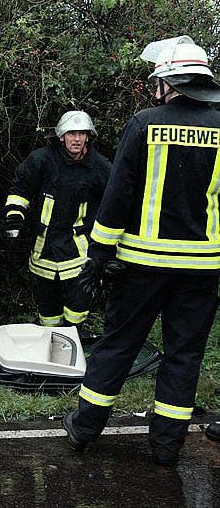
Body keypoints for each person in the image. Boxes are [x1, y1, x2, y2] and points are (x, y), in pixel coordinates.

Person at [63, 36, 220, 466]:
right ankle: (167, 447)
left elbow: (118, 195)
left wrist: (97, 253)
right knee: (184, 355)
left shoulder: (144, 123)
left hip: (142, 264)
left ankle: (84, 429)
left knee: (118, 345)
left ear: (169, 82)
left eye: (157, 82)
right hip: (203, 269)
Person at [4, 111, 111, 333]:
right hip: (45, 246)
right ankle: (50, 341)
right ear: (61, 136)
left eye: (82, 133)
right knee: (48, 307)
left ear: (88, 137)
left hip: (78, 250)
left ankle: (74, 336)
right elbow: (20, 189)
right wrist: (14, 220)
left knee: (78, 305)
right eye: (72, 133)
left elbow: (114, 202)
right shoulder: (42, 159)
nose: (77, 139)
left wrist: (106, 249)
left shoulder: (99, 166)